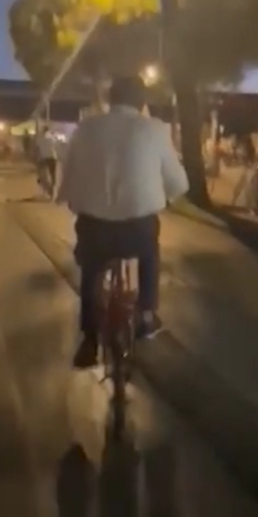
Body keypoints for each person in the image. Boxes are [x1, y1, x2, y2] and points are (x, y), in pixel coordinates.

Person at [56, 75, 189, 369]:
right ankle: (146, 313)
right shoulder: (155, 129)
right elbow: (178, 182)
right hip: (136, 229)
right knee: (149, 253)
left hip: (95, 229)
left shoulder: (86, 128)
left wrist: (70, 199)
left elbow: (69, 172)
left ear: (109, 99)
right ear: (142, 102)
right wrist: (168, 195)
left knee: (90, 271)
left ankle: (89, 339)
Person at [35, 125, 59, 198]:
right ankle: (52, 189)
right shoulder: (52, 137)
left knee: (43, 176)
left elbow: (37, 148)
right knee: (53, 175)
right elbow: (56, 146)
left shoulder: (40, 138)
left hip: (44, 158)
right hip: (53, 157)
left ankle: (48, 190)